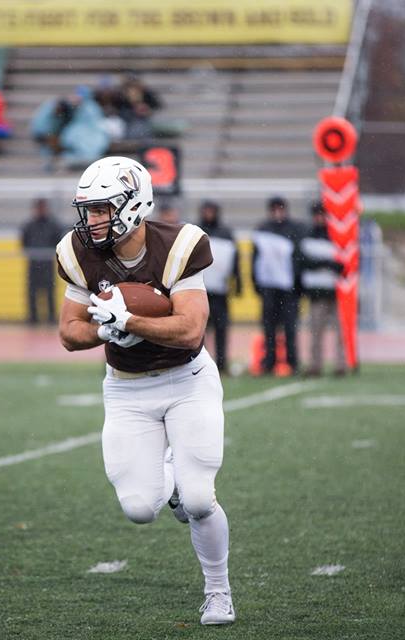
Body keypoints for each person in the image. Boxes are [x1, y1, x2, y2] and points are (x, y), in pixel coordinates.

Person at [56, 156, 235, 625]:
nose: (92, 220)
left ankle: (218, 591)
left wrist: (130, 320)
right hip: (126, 390)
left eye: (101, 209)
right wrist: (105, 330)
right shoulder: (76, 250)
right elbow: (70, 333)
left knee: (200, 499)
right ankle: (170, 482)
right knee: (139, 508)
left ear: (134, 205)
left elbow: (191, 329)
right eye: (89, 210)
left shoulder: (180, 245)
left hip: (187, 381)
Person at [251, 196, 306, 376]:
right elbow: (255, 258)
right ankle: (270, 361)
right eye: (274, 209)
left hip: (289, 289)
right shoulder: (263, 229)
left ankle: (292, 362)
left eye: (280, 209)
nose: (277, 213)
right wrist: (256, 283)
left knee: (290, 327)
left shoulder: (294, 229)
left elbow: (298, 258)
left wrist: (298, 284)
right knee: (269, 327)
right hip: (269, 287)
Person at [300, 201, 346, 377]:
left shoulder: (336, 236)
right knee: (315, 332)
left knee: (340, 332)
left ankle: (340, 364)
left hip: (336, 292)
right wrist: (326, 263)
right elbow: (304, 262)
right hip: (317, 293)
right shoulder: (307, 236)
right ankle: (315, 364)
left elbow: (343, 264)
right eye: (317, 215)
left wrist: (325, 264)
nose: (319, 218)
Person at [198, 201, 241, 372]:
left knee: (221, 328)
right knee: (199, 329)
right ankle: (199, 364)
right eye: (206, 211)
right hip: (200, 291)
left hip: (220, 291)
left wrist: (237, 282)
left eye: (211, 211)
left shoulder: (226, 233)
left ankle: (222, 363)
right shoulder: (196, 230)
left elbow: (235, 260)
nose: (208, 214)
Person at [20, 198, 63, 325]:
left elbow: (59, 242)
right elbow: (24, 242)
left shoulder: (53, 225)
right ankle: (33, 318)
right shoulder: (29, 225)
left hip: (48, 264)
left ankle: (51, 317)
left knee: (50, 291)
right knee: (32, 291)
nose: (41, 210)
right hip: (33, 264)